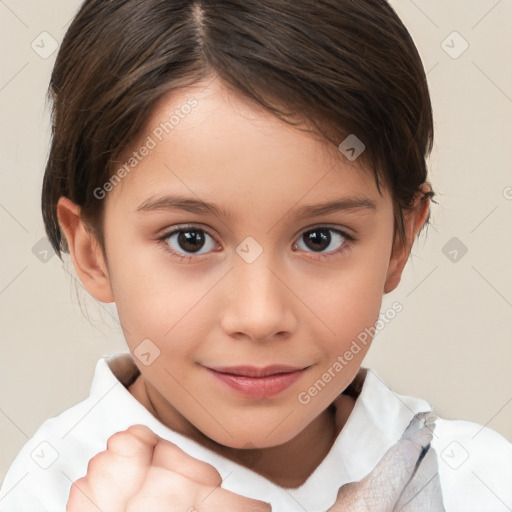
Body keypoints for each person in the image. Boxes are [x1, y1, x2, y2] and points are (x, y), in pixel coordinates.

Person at [0, 0, 511, 510]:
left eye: (320, 238)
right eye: (190, 240)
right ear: (92, 252)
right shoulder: (42, 492)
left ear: (399, 242)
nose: (260, 317)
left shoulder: (480, 482)